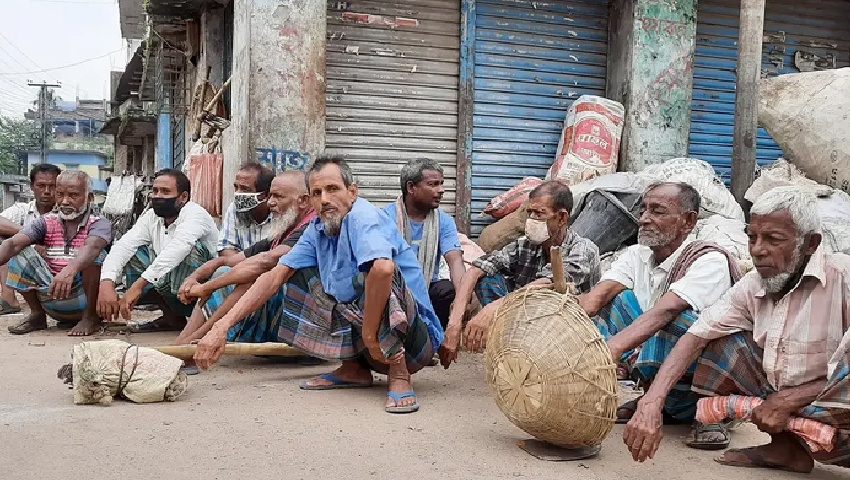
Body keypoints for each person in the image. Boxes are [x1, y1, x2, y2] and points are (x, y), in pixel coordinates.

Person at [193, 156, 443, 414]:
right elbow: (274, 276)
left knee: (373, 272)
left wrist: (369, 338)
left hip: (413, 342)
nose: (324, 199)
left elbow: (382, 269)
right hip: (372, 347)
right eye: (316, 193)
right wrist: (221, 328)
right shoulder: (317, 229)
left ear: (352, 191)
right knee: (298, 274)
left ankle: (399, 375)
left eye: (332, 189)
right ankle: (353, 368)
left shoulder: (363, 217)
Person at [578, 182, 742, 447]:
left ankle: (708, 413)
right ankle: (655, 399)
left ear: (688, 221)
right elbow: (596, 298)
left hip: (701, 379)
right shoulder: (636, 255)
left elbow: (666, 311)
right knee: (618, 301)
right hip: (662, 369)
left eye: (657, 211)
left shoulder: (709, 260)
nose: (643, 219)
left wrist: (609, 351)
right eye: (643, 210)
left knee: (679, 320)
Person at [440, 180, 601, 366]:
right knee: (487, 279)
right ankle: (509, 349)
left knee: (539, 295)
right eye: (530, 212)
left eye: (539, 213)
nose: (531, 219)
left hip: (567, 330)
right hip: (529, 322)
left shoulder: (582, 249)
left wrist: (492, 310)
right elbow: (476, 269)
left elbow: (545, 285)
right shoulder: (525, 244)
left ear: (562, 218)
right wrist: (454, 324)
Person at [174, 170, 317, 345]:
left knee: (249, 277)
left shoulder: (311, 227)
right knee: (225, 271)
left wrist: (207, 287)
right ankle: (186, 340)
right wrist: (194, 278)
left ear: (302, 201)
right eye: (270, 196)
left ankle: (197, 339)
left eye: (278, 196)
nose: (270, 203)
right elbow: (226, 260)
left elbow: (266, 261)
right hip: (285, 313)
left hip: (308, 322)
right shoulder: (282, 232)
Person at [96, 168, 219, 332]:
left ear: (183, 197)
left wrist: (138, 286)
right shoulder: (151, 217)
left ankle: (200, 321)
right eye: (155, 191)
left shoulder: (195, 214)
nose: (158, 196)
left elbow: (179, 248)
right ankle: (172, 318)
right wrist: (106, 283)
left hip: (203, 286)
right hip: (170, 285)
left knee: (189, 251)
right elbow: (124, 246)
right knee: (134, 253)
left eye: (166, 191)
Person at [0, 171, 111, 336]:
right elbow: (14, 243)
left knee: (96, 256)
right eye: (60, 194)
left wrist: (68, 271)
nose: (65, 201)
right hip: (52, 295)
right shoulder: (46, 221)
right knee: (18, 250)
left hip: (83, 299)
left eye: (73, 195)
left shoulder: (100, 223)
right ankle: (37, 315)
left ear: (89, 198)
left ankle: (90, 318)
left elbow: (93, 247)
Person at [383, 158, 465, 328]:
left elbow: (455, 260)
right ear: (411, 187)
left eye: (442, 183)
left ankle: (435, 339)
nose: (441, 190)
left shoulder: (444, 221)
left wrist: (462, 299)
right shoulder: (385, 218)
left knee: (447, 290)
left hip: (427, 286)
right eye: (433, 184)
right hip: (395, 289)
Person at [0, 164, 61, 315]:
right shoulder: (22, 210)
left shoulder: (66, 213)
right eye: (41, 185)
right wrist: (31, 236)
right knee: (7, 241)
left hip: (57, 272)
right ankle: (8, 299)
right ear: (32, 187)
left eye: (52, 186)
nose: (47, 191)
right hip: (28, 267)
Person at [218, 162, 275, 257]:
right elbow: (225, 248)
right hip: (240, 267)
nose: (238, 193)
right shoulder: (235, 208)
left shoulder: (281, 215)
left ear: (265, 195)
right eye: (236, 187)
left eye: (245, 189)